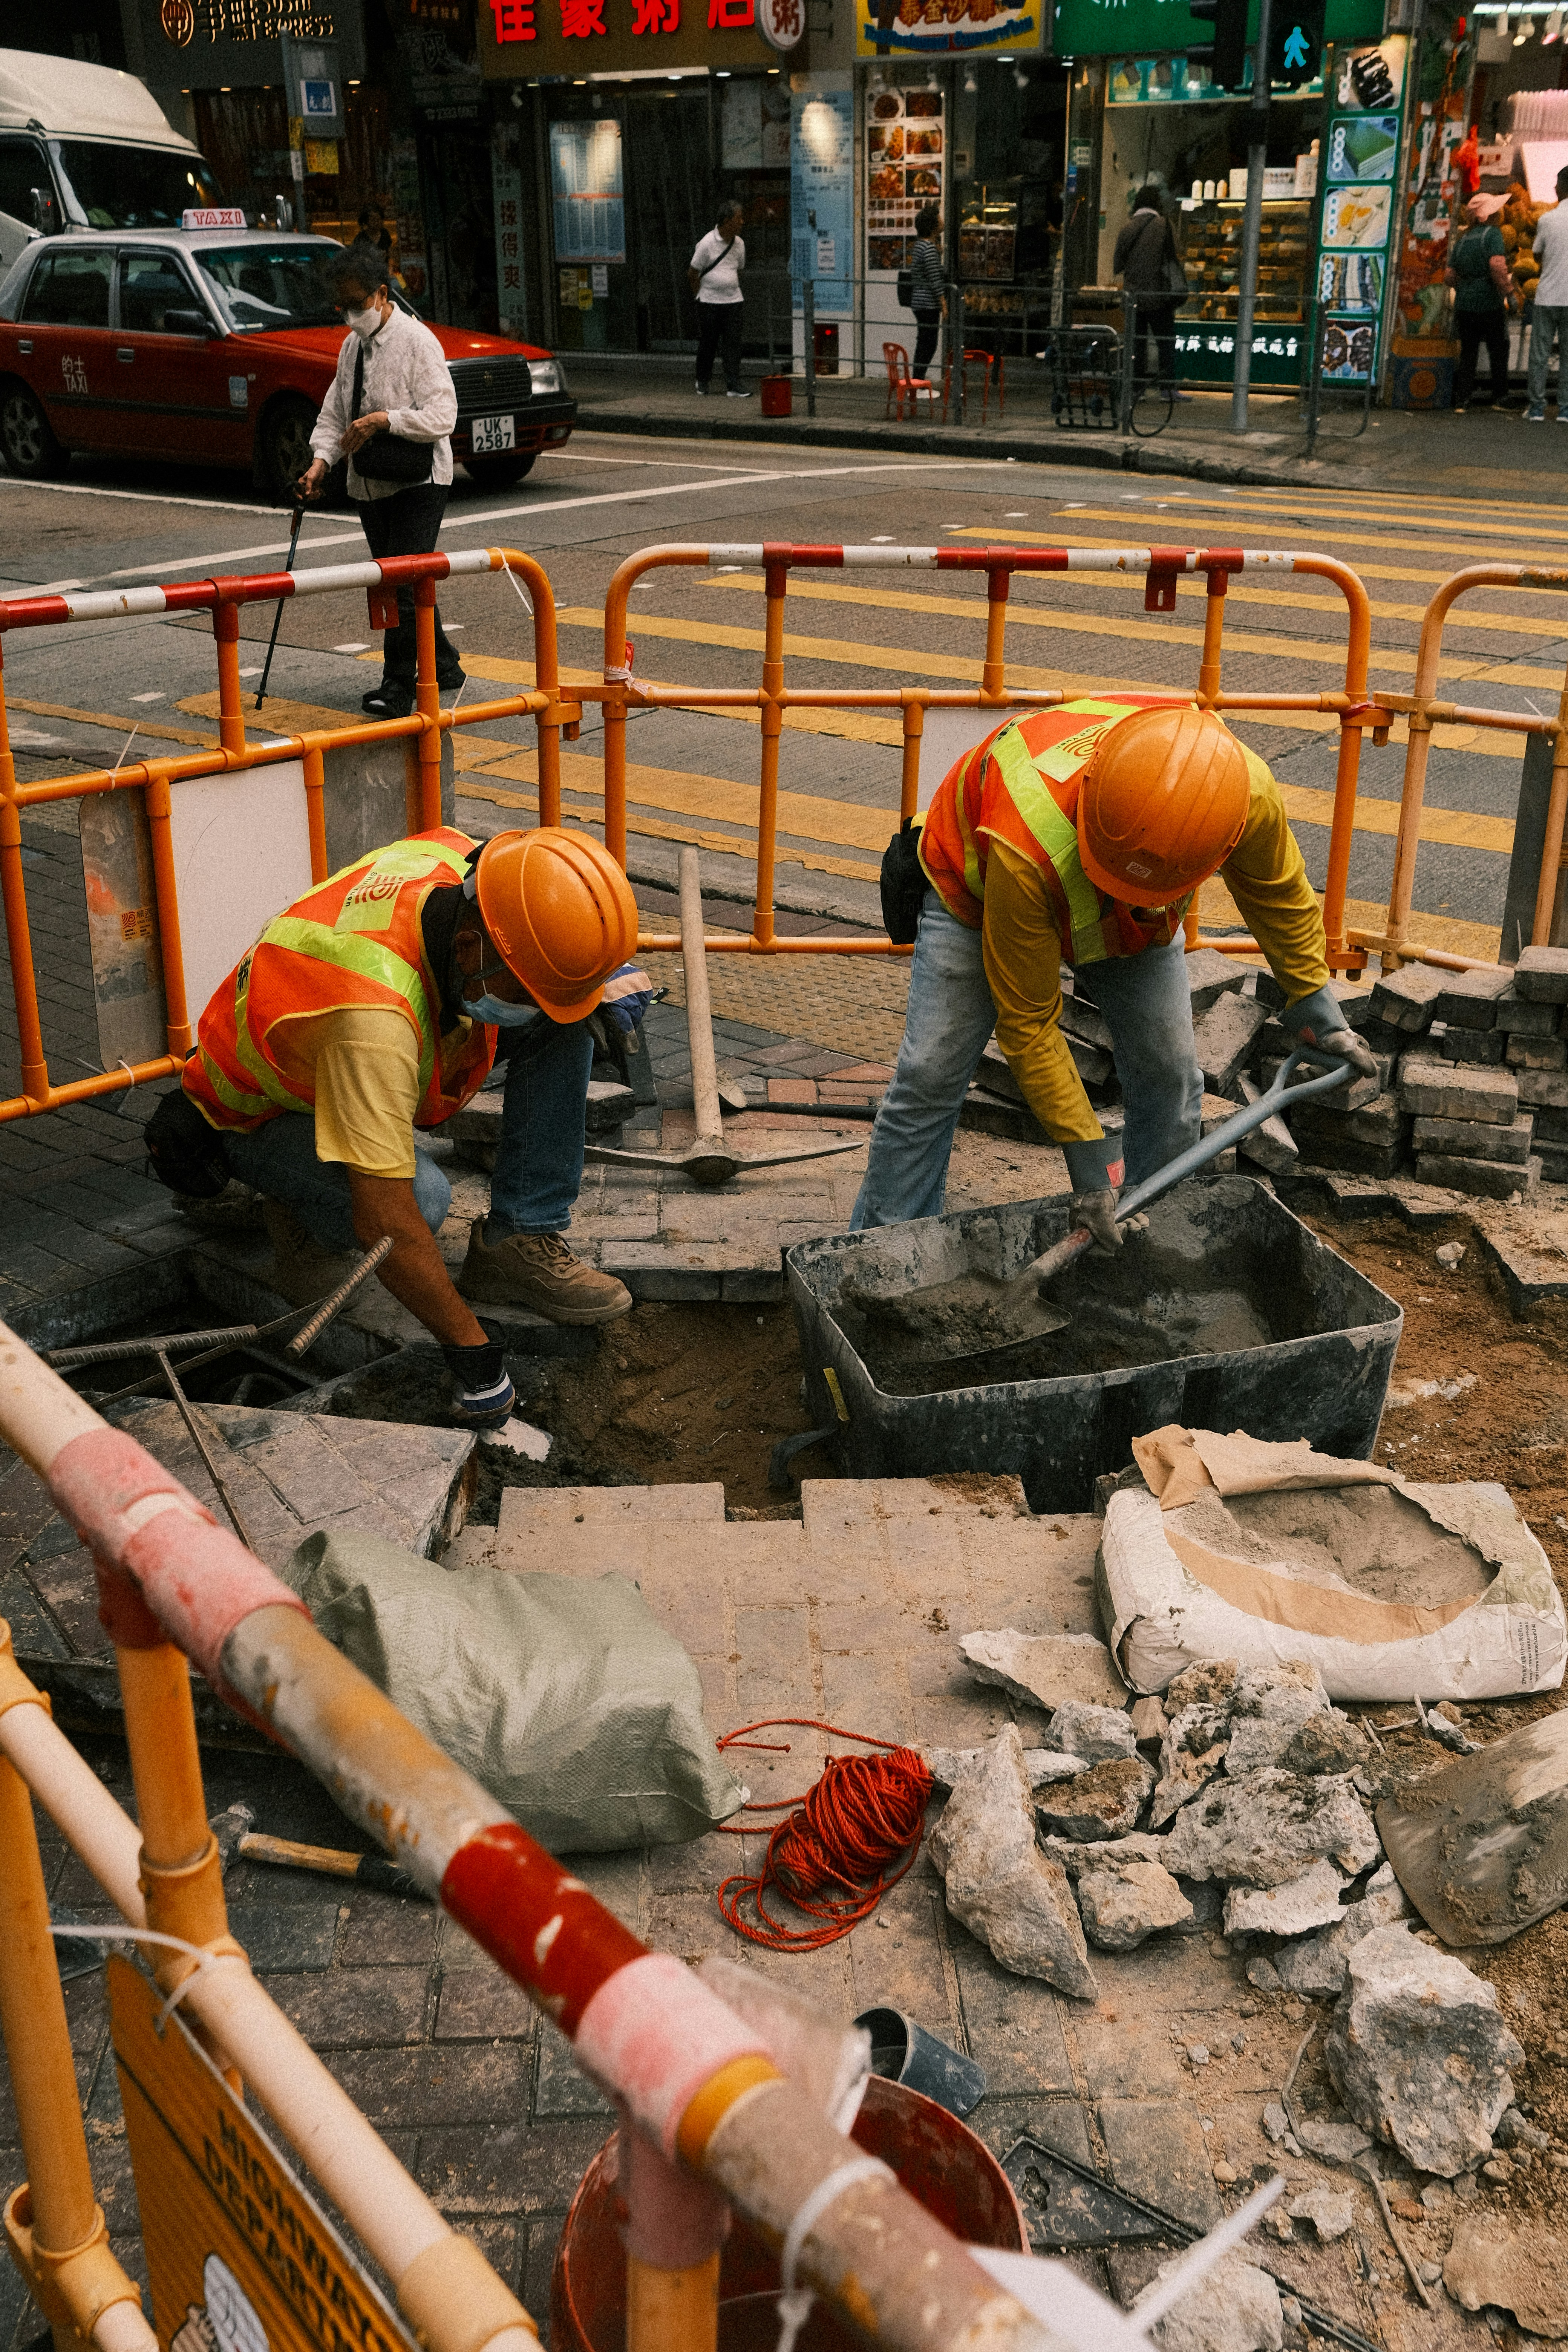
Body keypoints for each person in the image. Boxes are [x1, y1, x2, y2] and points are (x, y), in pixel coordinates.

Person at [145, 827, 640, 1430]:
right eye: (521, 987)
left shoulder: (458, 868)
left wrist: (585, 984)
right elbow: (389, 1227)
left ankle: (519, 1237)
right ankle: (294, 1217)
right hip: (258, 1112)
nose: (528, 1003)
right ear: (467, 950)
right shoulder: (370, 1024)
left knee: (566, 1021)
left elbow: (537, 917)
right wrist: (470, 1348)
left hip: (339, 1052)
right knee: (422, 1202)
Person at [851, 700, 1378, 1243]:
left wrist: (1314, 1001)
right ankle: (884, 1253)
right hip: (981, 890)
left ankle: (1149, 1240)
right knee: (929, 1078)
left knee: (1171, 1078)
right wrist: (1090, 1161)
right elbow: (1028, 1023)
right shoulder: (1025, 841)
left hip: (1138, 918)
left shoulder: (1238, 792)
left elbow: (1278, 896)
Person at [297, 246, 465, 721]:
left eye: (356, 304)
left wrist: (383, 420)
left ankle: (397, 685)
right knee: (395, 581)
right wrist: (320, 463)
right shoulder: (352, 347)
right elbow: (335, 412)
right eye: (341, 307)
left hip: (420, 481)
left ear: (382, 295)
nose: (350, 316)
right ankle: (445, 662)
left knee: (401, 583)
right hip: (370, 482)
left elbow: (442, 415)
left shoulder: (418, 342)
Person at [1113, 185, 1183, 401]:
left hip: (1133, 297)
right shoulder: (1164, 225)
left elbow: (1118, 264)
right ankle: (1167, 389)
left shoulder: (1127, 229)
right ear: (1157, 203)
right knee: (1165, 342)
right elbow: (1174, 256)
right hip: (1159, 296)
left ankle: (1136, 390)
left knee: (1137, 344)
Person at [1447, 197, 1517, 412]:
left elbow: (1449, 276)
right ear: (1491, 215)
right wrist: (1510, 293)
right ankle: (1500, 398)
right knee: (1498, 349)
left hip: (1464, 305)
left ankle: (1463, 400)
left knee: (1469, 352)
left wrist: (1466, 288)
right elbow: (1497, 267)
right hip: (1489, 303)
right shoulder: (1493, 234)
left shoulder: (1463, 239)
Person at [689, 200, 749, 398]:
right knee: (709, 343)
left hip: (733, 301)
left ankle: (733, 385)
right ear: (726, 221)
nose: (742, 222)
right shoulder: (707, 242)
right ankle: (703, 380)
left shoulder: (739, 244)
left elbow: (739, 268)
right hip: (709, 302)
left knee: (733, 344)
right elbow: (692, 272)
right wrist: (699, 295)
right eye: (738, 218)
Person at [1526, 165, 1568, 421]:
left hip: (1547, 296)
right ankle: (1565, 409)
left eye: (1557, 183)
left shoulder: (1547, 219)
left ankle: (1537, 408)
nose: (1554, 188)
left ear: (1562, 187)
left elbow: (1537, 255)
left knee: (1540, 355)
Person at [909, 204, 946, 382]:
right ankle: (918, 382)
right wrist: (944, 304)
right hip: (928, 304)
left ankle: (917, 381)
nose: (942, 221)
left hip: (918, 302)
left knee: (923, 343)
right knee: (929, 345)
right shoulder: (929, 249)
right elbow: (935, 279)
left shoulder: (920, 246)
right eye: (939, 219)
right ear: (933, 225)